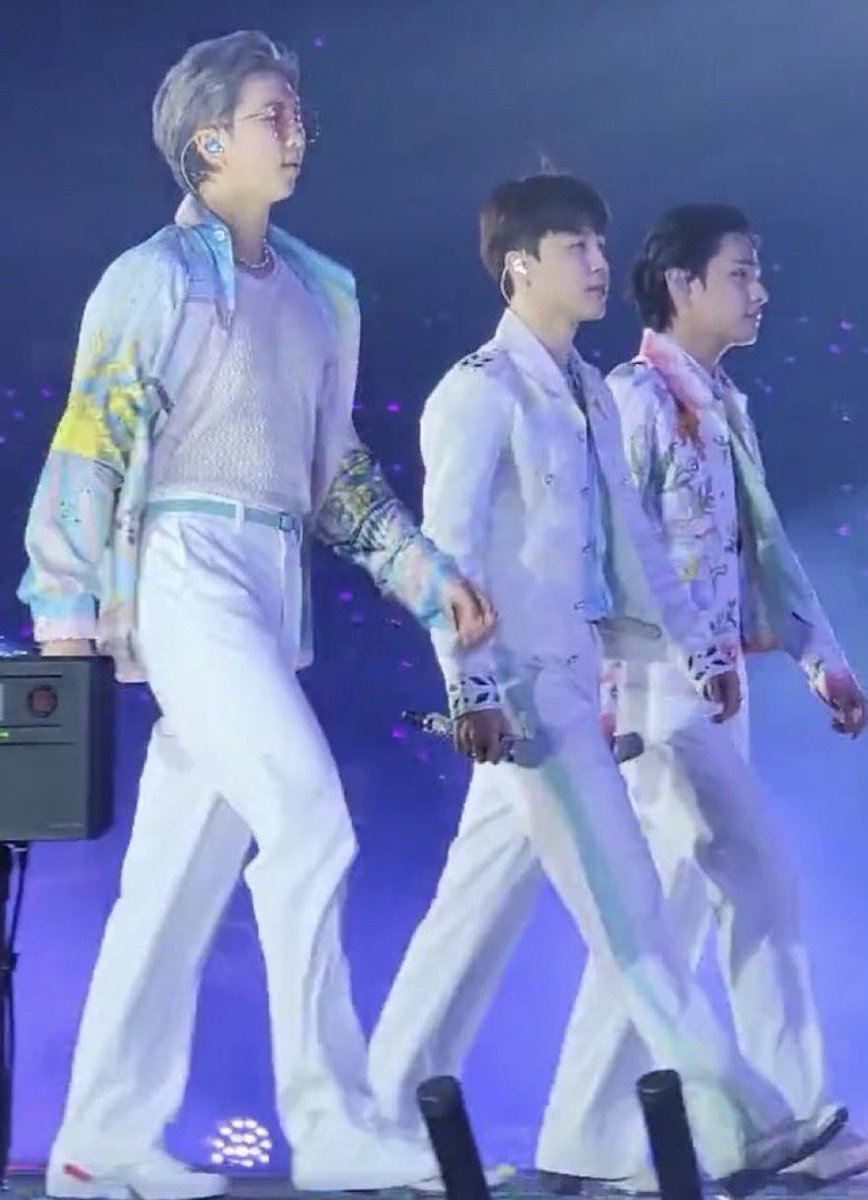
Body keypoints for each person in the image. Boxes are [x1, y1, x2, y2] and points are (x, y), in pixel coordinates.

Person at [19, 30, 494, 1199]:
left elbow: (335, 473)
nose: (295, 130)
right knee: (309, 820)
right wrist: (64, 605)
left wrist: (423, 575)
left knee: (177, 878)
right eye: (270, 113)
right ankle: (330, 1123)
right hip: (181, 565)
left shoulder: (324, 292)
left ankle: (96, 1144)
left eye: (296, 112)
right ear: (207, 141)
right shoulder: (151, 278)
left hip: (270, 577)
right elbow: (92, 437)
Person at [368, 176, 844, 1196]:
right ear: (519, 267)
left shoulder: (583, 390)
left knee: (470, 923)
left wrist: (695, 657)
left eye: (597, 244)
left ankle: (378, 1119)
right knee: (634, 916)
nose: (596, 264)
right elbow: (445, 562)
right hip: (522, 703)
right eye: (575, 247)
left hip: (573, 692)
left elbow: (634, 556)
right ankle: (744, 1124)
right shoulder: (479, 393)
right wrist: (469, 692)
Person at [535, 203, 868, 1192]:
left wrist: (820, 659)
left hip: (714, 690)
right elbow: (600, 556)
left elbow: (760, 547)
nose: (758, 291)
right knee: (740, 886)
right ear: (681, 285)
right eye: (740, 272)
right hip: (655, 694)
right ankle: (778, 1124)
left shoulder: (723, 403)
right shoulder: (633, 397)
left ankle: (587, 1143)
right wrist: (614, 696)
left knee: (676, 914)